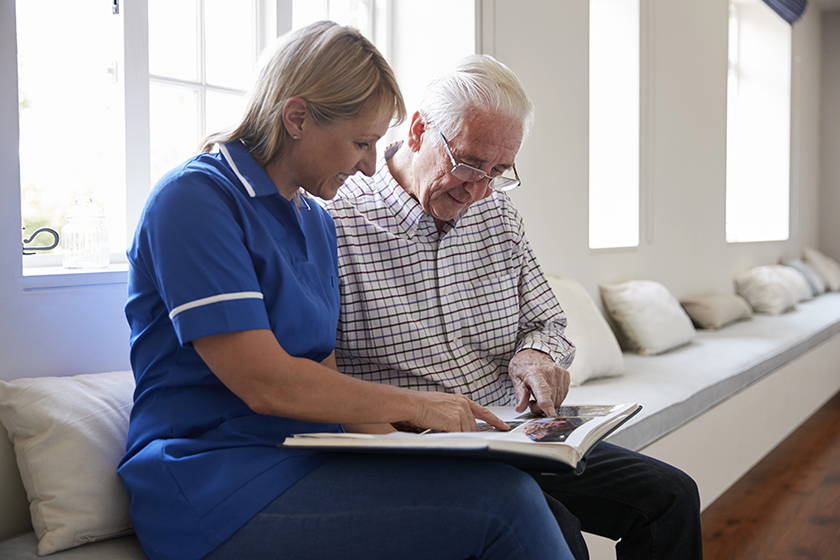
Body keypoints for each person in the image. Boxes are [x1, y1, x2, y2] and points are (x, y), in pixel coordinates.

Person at [119, 22, 575, 560]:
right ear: (296, 118)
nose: (366, 164)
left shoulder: (314, 220)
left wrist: (437, 449)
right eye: (361, 142)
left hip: (308, 456)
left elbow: (328, 386)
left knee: (520, 498)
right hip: (213, 481)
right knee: (507, 505)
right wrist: (422, 406)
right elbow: (265, 383)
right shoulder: (194, 200)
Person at [324, 54, 704, 560]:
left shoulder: (498, 214)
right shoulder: (334, 220)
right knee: (560, 532)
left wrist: (536, 357)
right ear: (418, 131)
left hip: (511, 433)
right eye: (469, 163)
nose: (479, 189)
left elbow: (546, 321)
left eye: (499, 171)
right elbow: (317, 373)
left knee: (671, 497)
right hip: (417, 450)